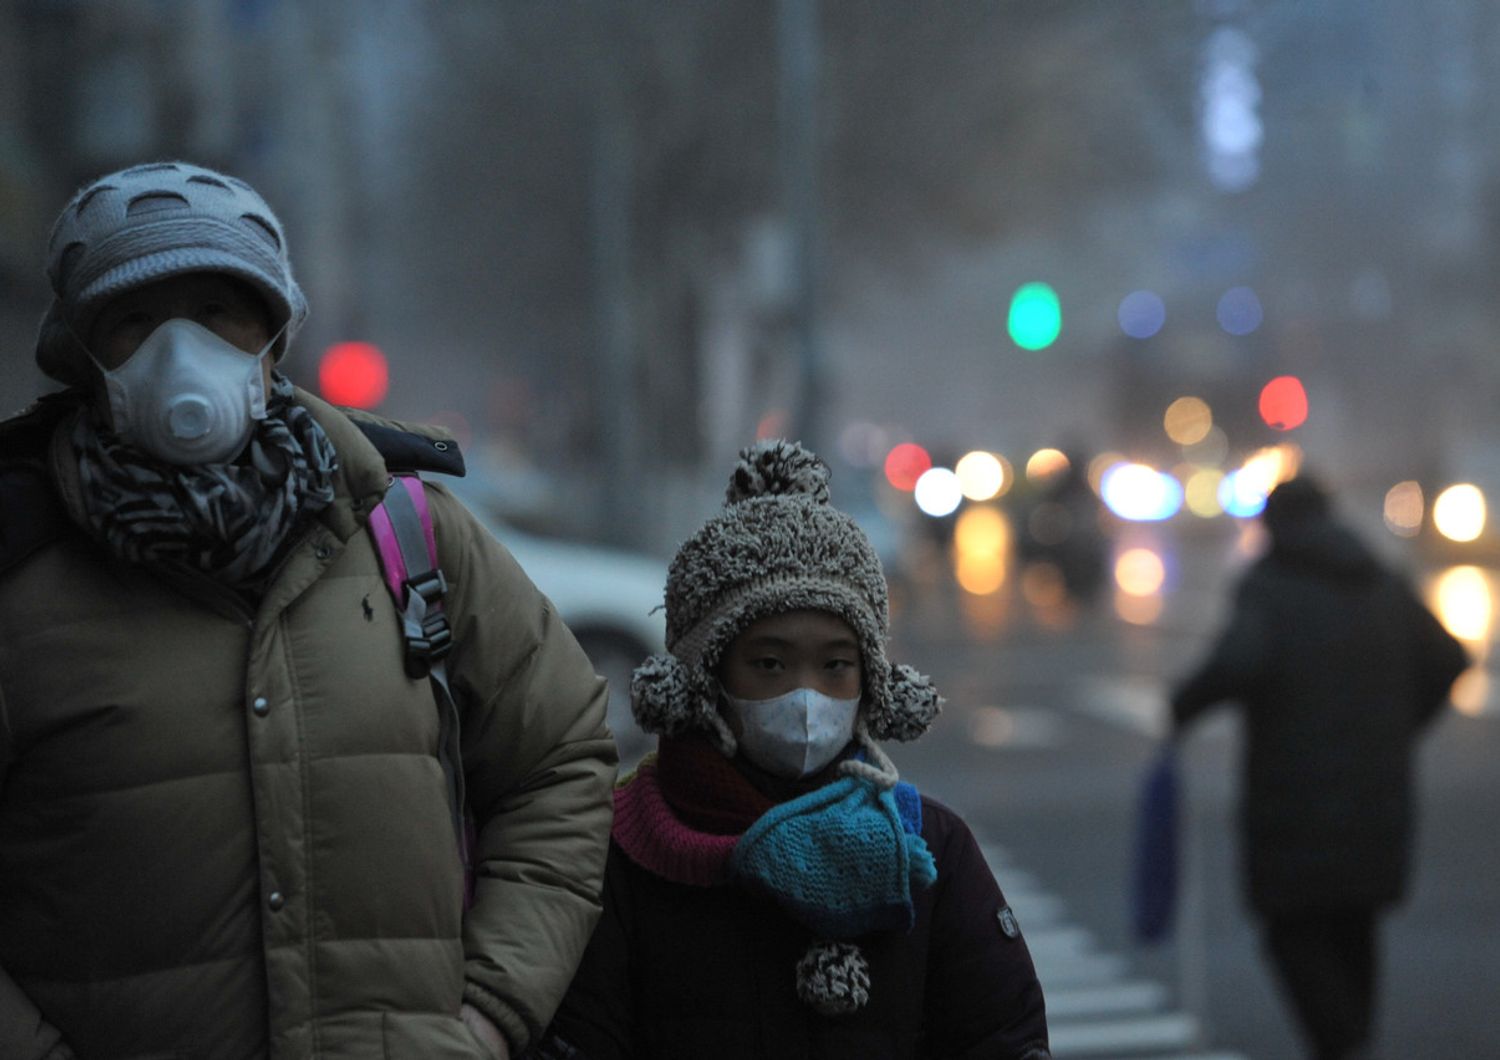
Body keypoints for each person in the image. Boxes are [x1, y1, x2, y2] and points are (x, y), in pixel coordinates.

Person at [0, 161, 617, 1059]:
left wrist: (489, 1014)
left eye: (218, 312)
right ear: (83, 358)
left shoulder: (408, 532)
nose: (181, 352)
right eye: (133, 320)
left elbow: (559, 761)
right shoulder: (20, 583)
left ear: (274, 339)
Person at [536, 439, 1051, 1059]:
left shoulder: (930, 852)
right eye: (770, 663)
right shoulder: (621, 854)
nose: (807, 698)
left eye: (837, 665)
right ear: (702, 678)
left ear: (874, 684)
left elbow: (1002, 1036)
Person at [1170, 475, 1468, 1060]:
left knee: (1292, 929)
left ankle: (1344, 1044)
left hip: (1293, 803)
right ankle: (1352, 1039)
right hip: (1378, 794)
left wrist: (1183, 706)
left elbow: (1235, 663)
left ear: (1273, 524)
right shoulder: (1381, 580)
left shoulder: (1270, 587)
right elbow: (1449, 657)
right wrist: (1402, 726)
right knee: (1355, 924)